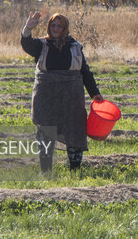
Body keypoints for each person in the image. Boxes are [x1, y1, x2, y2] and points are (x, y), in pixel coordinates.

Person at [21, 11, 103, 171]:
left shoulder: (75, 47)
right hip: (46, 97)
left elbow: (84, 71)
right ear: (48, 27)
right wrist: (27, 29)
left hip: (71, 97)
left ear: (65, 28)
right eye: (53, 25)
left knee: (74, 130)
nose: (56, 28)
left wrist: (94, 92)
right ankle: (46, 170)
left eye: (59, 25)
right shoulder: (41, 45)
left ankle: (75, 168)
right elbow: (27, 44)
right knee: (46, 130)